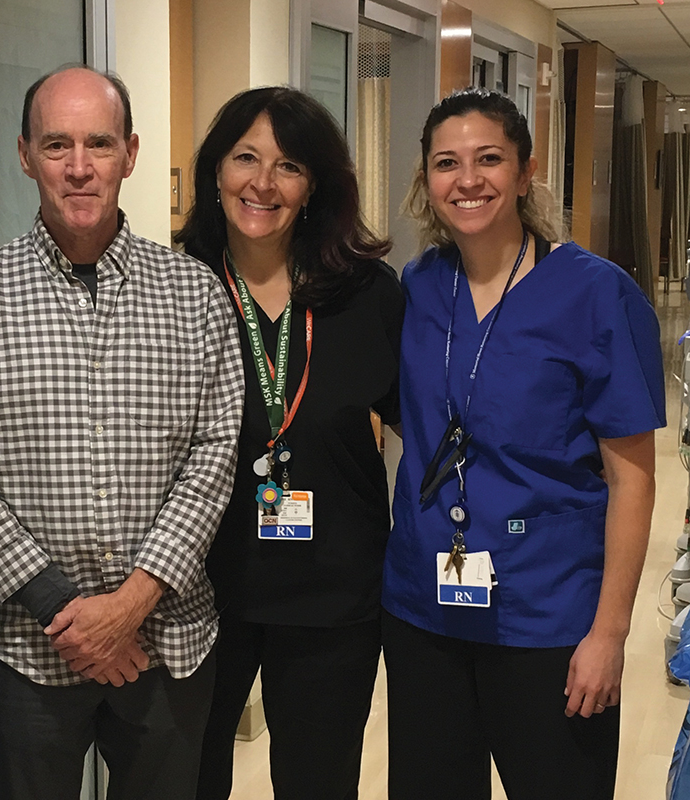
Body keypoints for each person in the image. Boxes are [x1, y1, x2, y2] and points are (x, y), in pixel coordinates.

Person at [0, 65, 245, 800]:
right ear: (24, 154)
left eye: (99, 143)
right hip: (32, 648)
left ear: (131, 153)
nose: (79, 167)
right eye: (57, 145)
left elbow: (215, 454)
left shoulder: (193, 292)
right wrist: (64, 609)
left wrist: (130, 605)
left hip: (169, 639)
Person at [382, 87, 664, 799]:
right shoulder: (416, 289)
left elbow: (632, 479)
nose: (467, 180)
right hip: (425, 614)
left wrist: (608, 635)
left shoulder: (596, 294)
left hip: (550, 617)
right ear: (426, 179)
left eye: (489, 159)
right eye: (447, 162)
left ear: (525, 170)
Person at [175, 87, 402, 800]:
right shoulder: (175, 289)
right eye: (246, 158)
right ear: (216, 171)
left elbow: (424, 432)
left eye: (289, 165)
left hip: (334, 593)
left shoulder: (369, 294)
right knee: (189, 777)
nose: (263, 184)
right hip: (201, 591)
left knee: (319, 782)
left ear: (315, 185)